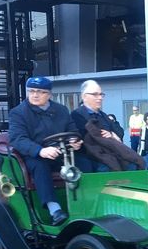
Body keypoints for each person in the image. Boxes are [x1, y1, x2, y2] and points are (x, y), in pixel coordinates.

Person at [9, 76, 82, 225]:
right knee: (40, 166)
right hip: (33, 156)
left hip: (61, 154)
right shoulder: (18, 112)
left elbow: (73, 130)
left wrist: (75, 141)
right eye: (32, 91)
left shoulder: (61, 110)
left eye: (40, 92)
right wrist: (40, 151)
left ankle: (86, 204)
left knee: (85, 163)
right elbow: (18, 139)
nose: (35, 95)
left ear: (49, 95)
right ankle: (55, 210)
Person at [71, 80, 128, 172]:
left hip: (111, 153)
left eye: (101, 94)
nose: (100, 98)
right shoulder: (76, 115)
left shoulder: (104, 116)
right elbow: (82, 139)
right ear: (84, 96)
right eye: (95, 94)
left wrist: (112, 135)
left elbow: (119, 133)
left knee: (133, 163)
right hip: (91, 157)